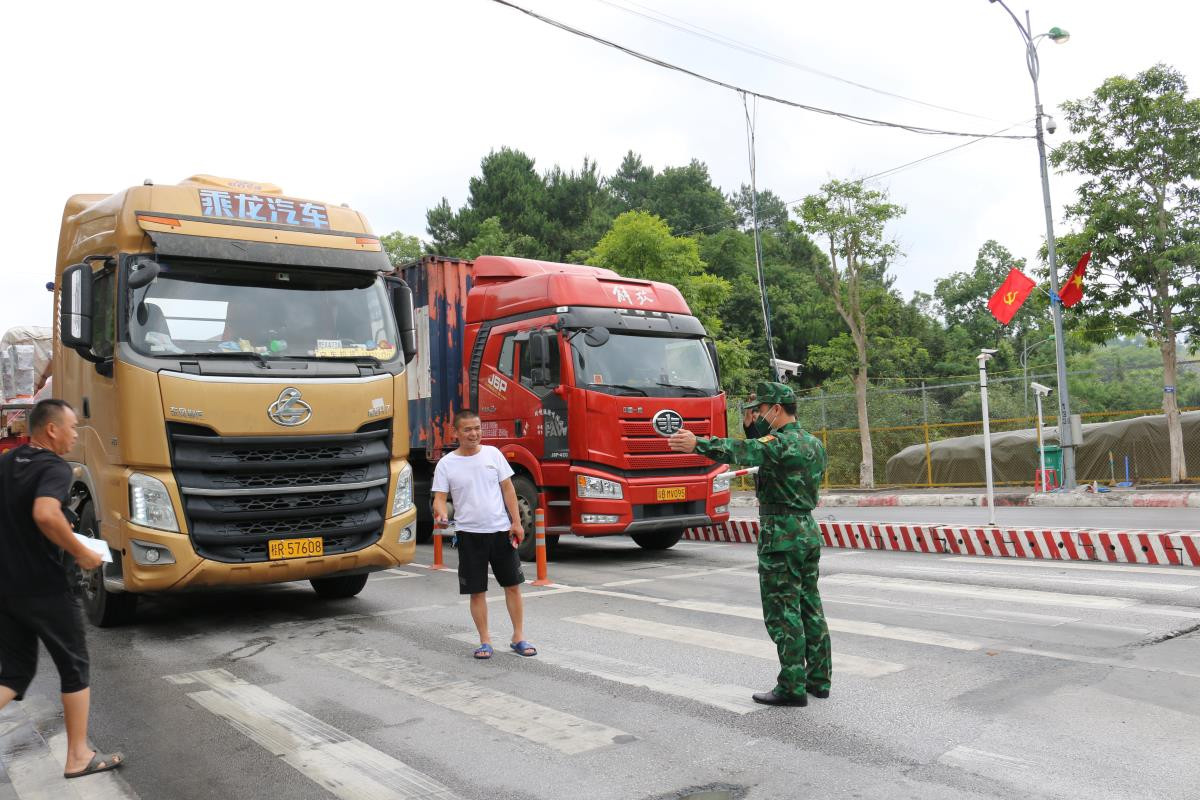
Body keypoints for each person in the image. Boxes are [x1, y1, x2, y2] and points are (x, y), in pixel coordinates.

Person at [669, 381, 830, 707]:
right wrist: (753, 426)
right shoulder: (814, 443)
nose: (762, 414)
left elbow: (743, 450)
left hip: (781, 534)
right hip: (807, 531)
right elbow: (768, 449)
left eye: (764, 409)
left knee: (783, 613)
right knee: (810, 607)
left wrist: (697, 443)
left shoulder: (778, 444)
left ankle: (791, 687)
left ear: (777, 409)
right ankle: (819, 679)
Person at [0, 399, 126, 777]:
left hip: (6, 586)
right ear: (51, 429)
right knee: (74, 667)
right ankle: (78, 756)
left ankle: (78, 754)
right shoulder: (54, 467)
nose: (75, 433)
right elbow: (43, 513)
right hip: (47, 586)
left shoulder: (7, 462)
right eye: (71, 426)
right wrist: (80, 550)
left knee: (14, 673)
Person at [432, 409, 536, 660]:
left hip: (500, 532)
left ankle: (518, 637)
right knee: (477, 591)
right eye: (467, 429)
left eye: (477, 428)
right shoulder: (447, 464)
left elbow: (508, 489)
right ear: (456, 433)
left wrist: (516, 522)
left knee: (512, 586)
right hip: (469, 535)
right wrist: (440, 514)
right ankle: (485, 641)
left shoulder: (493, 455)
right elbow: (439, 499)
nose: (474, 433)